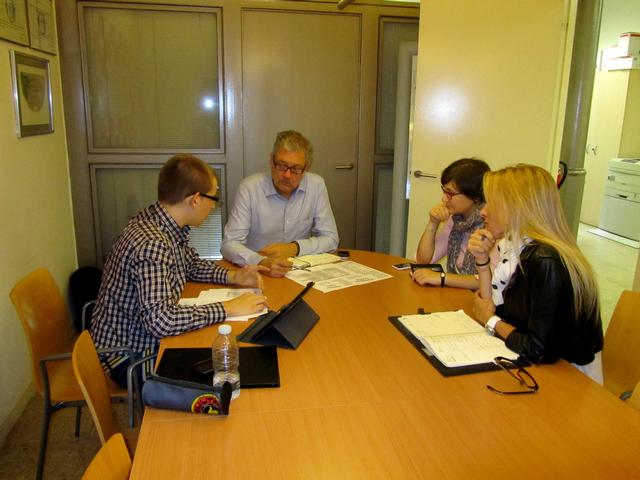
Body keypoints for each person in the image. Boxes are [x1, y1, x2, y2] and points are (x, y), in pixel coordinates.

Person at [91, 154, 267, 387]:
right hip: (129, 356)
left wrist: (234, 276)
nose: (213, 205)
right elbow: (160, 321)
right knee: (227, 370)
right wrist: (228, 308)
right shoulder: (153, 243)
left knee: (225, 356)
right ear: (195, 199)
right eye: (213, 198)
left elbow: (190, 265)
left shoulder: (161, 221)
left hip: (141, 338)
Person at [467, 164, 603, 382]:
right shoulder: (513, 245)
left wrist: (490, 321)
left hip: (568, 377)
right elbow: (490, 305)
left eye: (491, 203)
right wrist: (482, 261)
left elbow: (538, 350)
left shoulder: (546, 259)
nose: (483, 211)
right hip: (533, 364)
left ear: (516, 207)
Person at [221, 130, 339, 277]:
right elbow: (229, 244)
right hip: (259, 272)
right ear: (271, 161)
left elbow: (331, 239)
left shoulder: (316, 185)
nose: (287, 175)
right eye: (282, 165)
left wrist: (294, 248)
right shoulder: (250, 187)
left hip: (299, 272)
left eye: (296, 169)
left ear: (306, 168)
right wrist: (261, 261)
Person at [412, 158, 490, 289]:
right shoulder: (456, 220)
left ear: (475, 197)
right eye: (444, 191)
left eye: (450, 193)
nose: (443, 199)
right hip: (458, 293)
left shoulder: (491, 224)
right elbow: (423, 260)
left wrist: (443, 277)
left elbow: (487, 281)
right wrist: (433, 223)